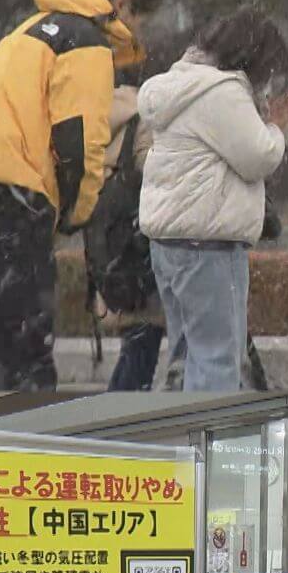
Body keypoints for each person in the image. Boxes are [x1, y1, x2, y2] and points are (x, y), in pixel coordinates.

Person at [0, 0, 154, 391]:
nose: (139, 37)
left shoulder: (30, 30)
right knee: (24, 359)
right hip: (13, 205)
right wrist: (76, 216)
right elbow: (79, 143)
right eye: (140, 24)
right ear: (123, 4)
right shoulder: (85, 42)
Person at [137, 11, 288, 391]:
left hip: (169, 244)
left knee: (186, 357)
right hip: (208, 244)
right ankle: (209, 430)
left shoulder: (183, 82)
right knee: (217, 360)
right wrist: (276, 125)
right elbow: (258, 157)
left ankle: (181, 424)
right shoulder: (222, 92)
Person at [87, 71, 162, 390]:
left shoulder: (94, 113)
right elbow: (152, 168)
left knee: (135, 345)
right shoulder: (143, 115)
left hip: (107, 251)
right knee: (142, 347)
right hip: (137, 249)